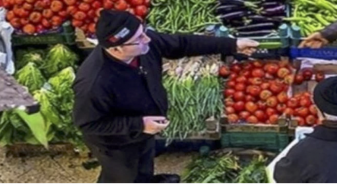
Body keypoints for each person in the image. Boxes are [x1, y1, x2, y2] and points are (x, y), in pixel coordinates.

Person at [73, 10, 259, 183]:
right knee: (124, 174)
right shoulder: (94, 83)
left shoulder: (143, 46)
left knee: (144, 162)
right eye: (139, 38)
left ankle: (148, 179)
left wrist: (232, 44)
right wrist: (139, 124)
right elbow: (87, 124)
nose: (147, 39)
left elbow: (181, 43)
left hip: (144, 128)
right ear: (116, 49)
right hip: (116, 143)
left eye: (143, 31)